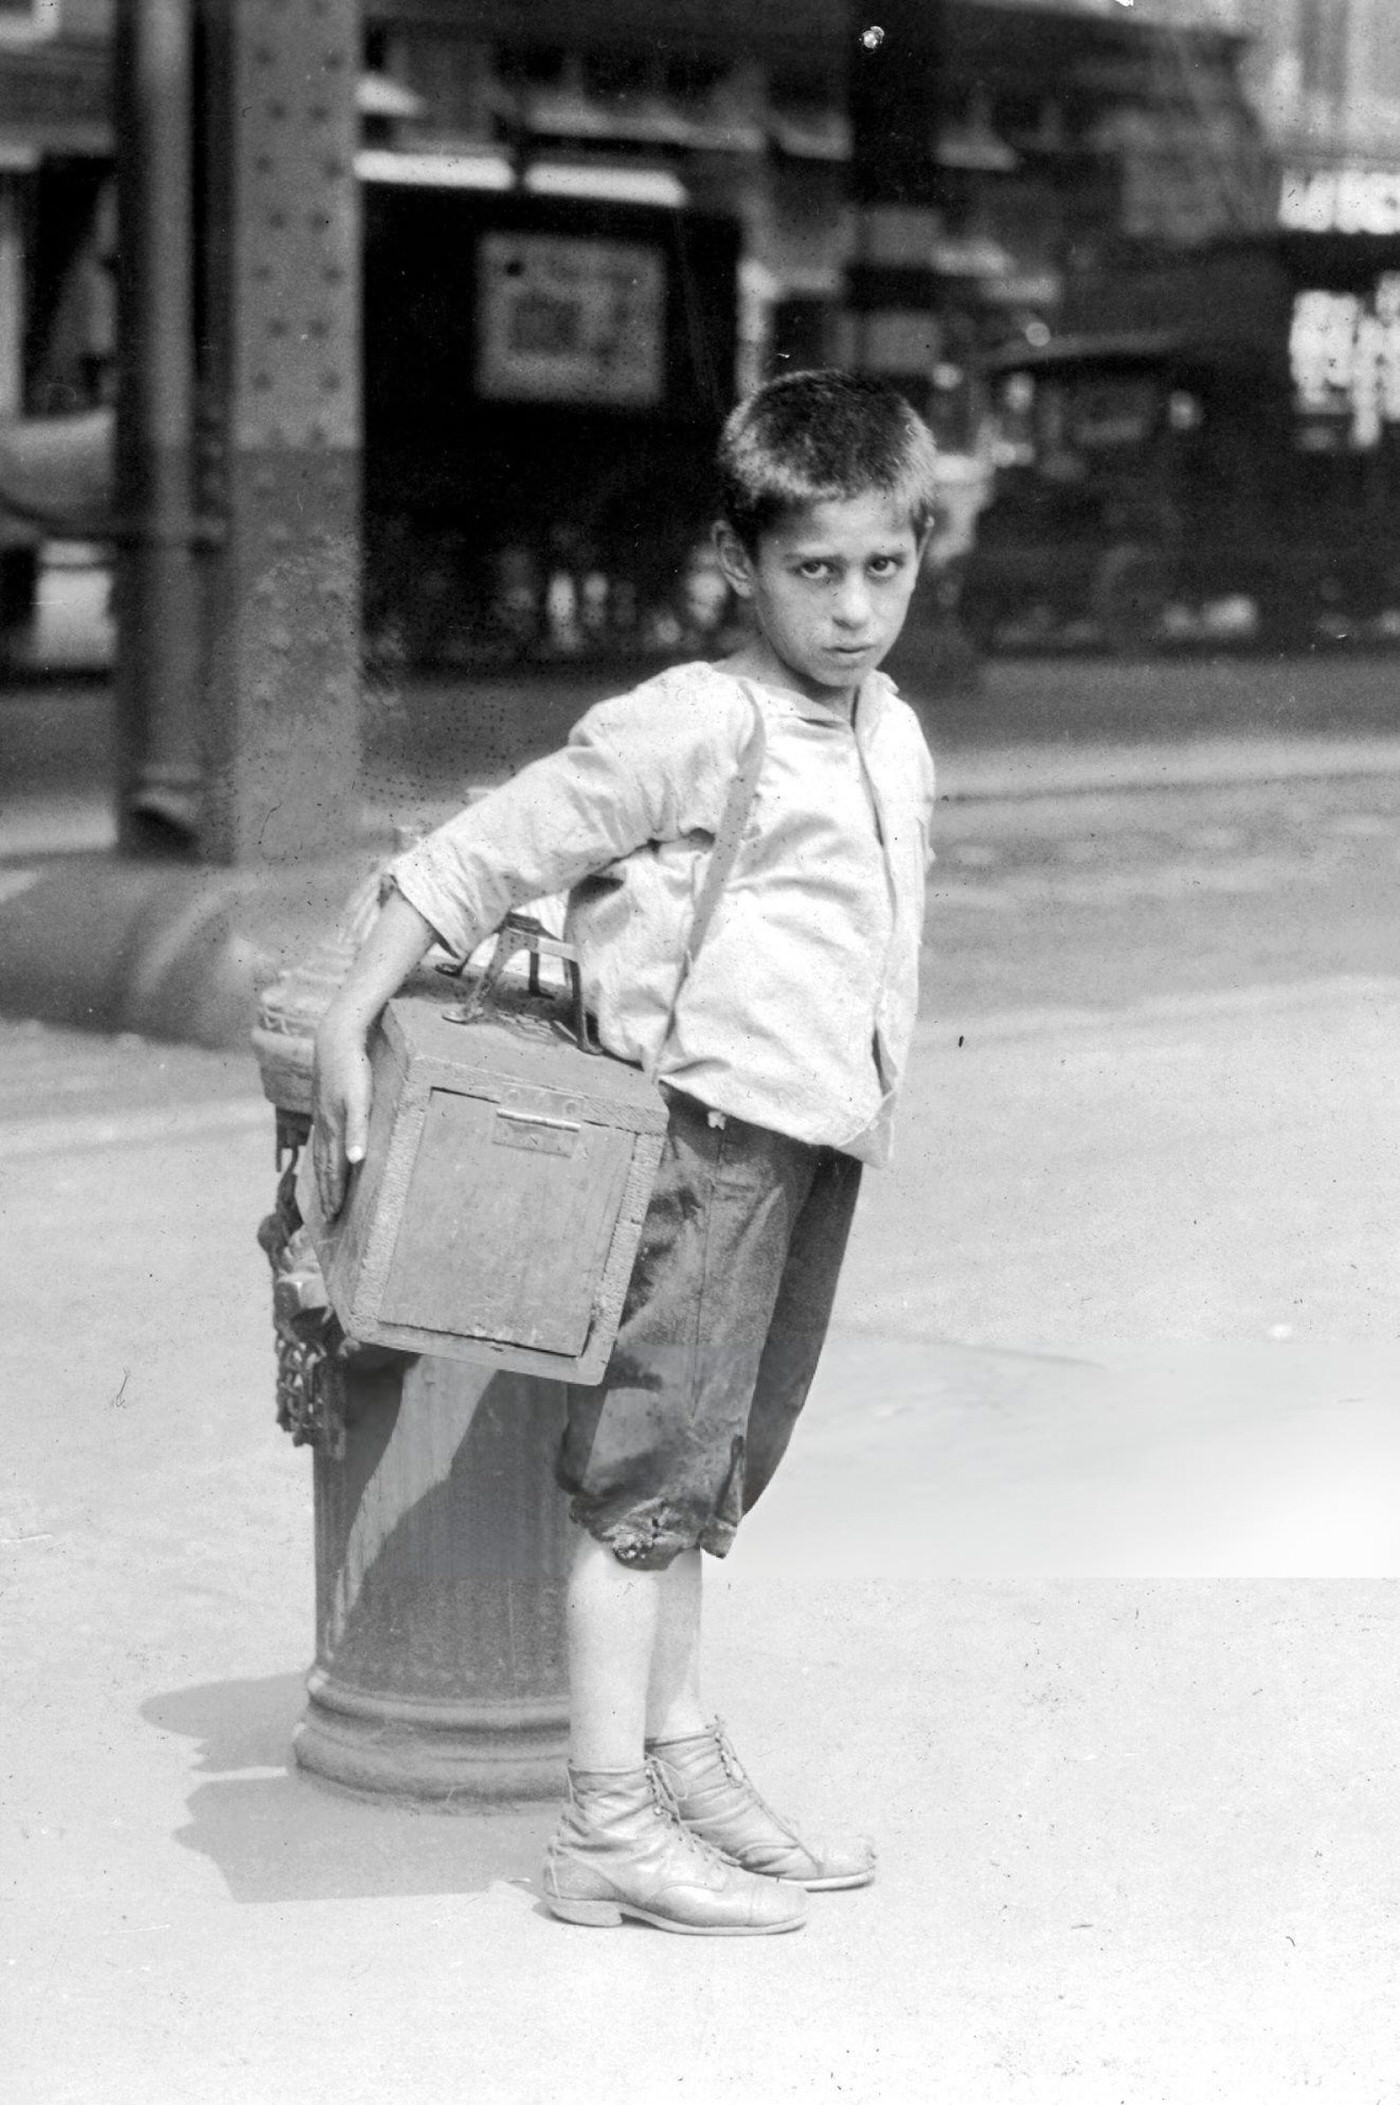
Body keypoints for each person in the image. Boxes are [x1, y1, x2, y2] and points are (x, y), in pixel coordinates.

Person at [312, 369, 940, 1936]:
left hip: (815, 1146)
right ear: (743, 560)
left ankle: (678, 1753)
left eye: (886, 565)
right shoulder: (696, 720)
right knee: (643, 1484)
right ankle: (602, 1824)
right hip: (702, 1147)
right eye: (815, 570)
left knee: (711, 1471)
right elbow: (492, 844)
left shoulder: (894, 730)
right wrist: (345, 1019)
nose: (854, 607)